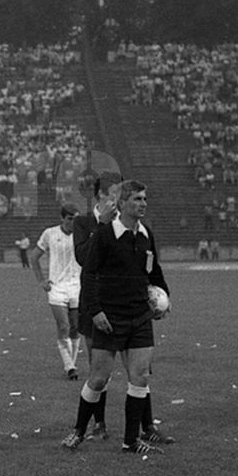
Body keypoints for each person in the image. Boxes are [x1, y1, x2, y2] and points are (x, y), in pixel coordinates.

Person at [63, 179, 173, 455]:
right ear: (122, 203)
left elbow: (153, 270)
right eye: (136, 199)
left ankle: (130, 441)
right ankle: (78, 430)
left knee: (140, 378)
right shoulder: (104, 234)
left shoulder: (146, 233)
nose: (143, 204)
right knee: (99, 379)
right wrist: (96, 311)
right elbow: (87, 275)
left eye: (144, 198)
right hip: (110, 317)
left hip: (139, 316)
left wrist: (165, 299)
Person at [70, 170, 123, 440]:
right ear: (101, 195)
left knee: (139, 367)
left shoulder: (125, 223)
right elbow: (82, 257)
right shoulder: (83, 222)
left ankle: (146, 427)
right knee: (97, 369)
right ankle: (98, 424)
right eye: (115, 192)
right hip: (93, 304)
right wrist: (101, 224)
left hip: (122, 302)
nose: (119, 198)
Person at [28, 204, 83, 379]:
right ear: (62, 218)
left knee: (75, 328)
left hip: (77, 286)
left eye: (76, 219)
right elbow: (34, 257)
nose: (73, 223)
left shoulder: (83, 235)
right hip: (57, 287)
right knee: (64, 326)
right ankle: (69, 367)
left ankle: (71, 364)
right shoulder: (50, 234)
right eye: (70, 219)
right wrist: (41, 280)